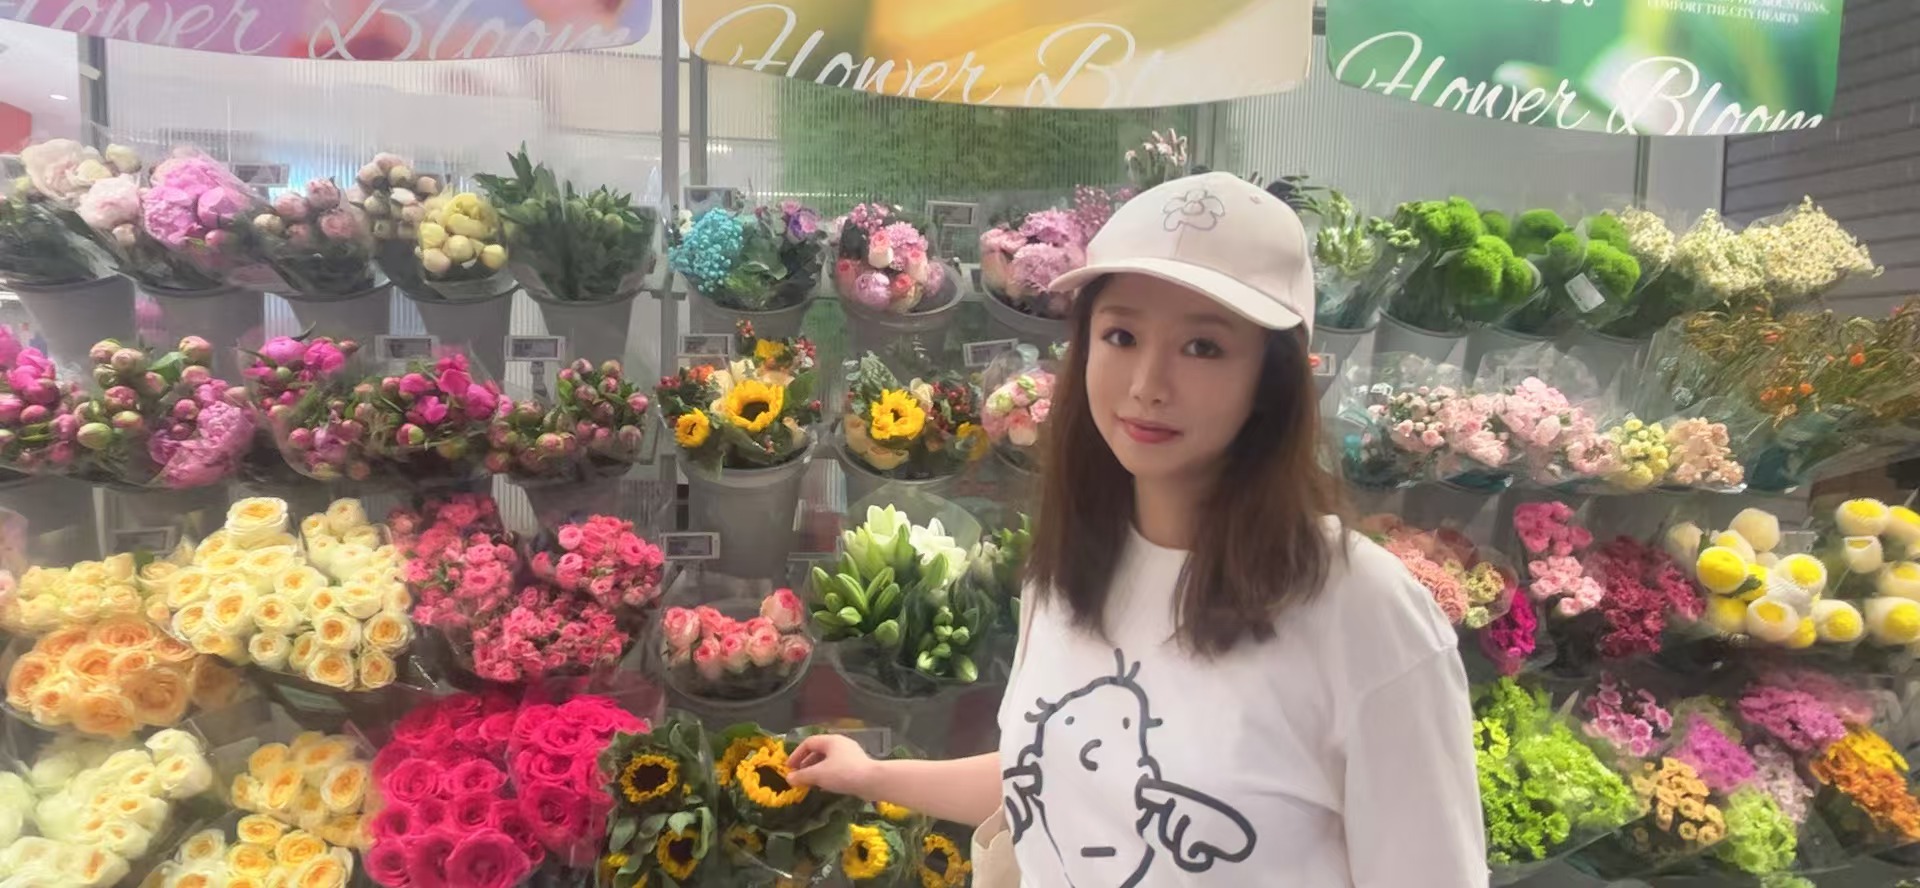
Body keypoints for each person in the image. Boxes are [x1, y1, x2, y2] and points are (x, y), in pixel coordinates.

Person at [788, 171, 1485, 887]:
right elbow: (1050, 775)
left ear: (1273, 377)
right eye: (1121, 334)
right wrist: (873, 774)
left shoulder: (1363, 613)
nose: (1148, 383)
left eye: (1203, 347)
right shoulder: (1069, 568)